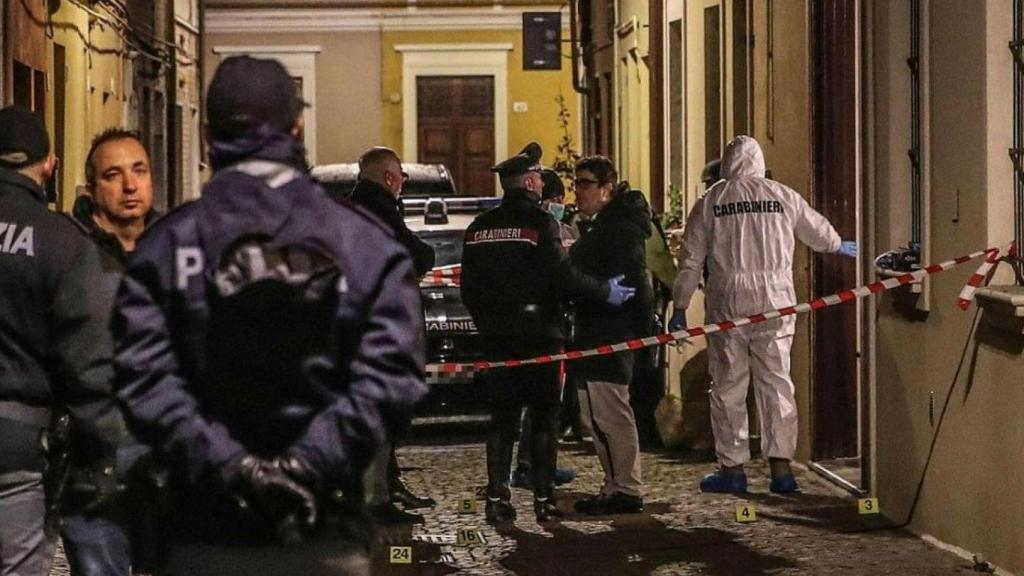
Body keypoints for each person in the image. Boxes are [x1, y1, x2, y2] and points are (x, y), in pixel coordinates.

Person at [110, 56, 426, 575]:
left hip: (205, 530)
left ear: (209, 136)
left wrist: (230, 464)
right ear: (295, 129)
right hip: (324, 525)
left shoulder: (167, 246)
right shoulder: (363, 243)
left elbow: (143, 379)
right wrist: (309, 461)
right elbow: (392, 377)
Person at [670, 135, 857, 494]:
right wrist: (838, 245)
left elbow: (691, 258)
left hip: (728, 301)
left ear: (726, 164)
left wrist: (680, 306)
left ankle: (733, 468)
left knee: (728, 384)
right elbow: (814, 229)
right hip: (776, 299)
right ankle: (781, 469)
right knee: (776, 381)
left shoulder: (712, 200)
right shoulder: (782, 195)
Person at [460, 142, 635, 523]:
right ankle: (542, 496)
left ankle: (497, 496)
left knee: (502, 417)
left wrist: (487, 324)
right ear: (528, 182)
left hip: (497, 338)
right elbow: (563, 276)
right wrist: (605, 290)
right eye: (538, 176)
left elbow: (468, 288)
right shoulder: (541, 225)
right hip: (540, 334)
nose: (542, 181)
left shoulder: (479, 227)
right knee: (543, 417)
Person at [0, 105, 120, 576]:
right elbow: (88, 364)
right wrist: (101, 456)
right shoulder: (63, 243)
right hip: (18, 448)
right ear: (48, 165)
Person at [346, 146, 435, 524]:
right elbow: (417, 255)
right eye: (401, 176)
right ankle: (377, 501)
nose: (402, 184)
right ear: (388, 178)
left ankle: (384, 486)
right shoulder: (381, 211)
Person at [568, 156, 651, 515]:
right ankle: (613, 485)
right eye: (577, 183)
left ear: (606, 189)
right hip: (593, 331)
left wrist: (600, 292)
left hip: (610, 333)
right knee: (594, 416)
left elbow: (633, 282)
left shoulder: (619, 229)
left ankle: (627, 488)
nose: (578, 191)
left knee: (611, 415)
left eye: (585, 184)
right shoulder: (602, 225)